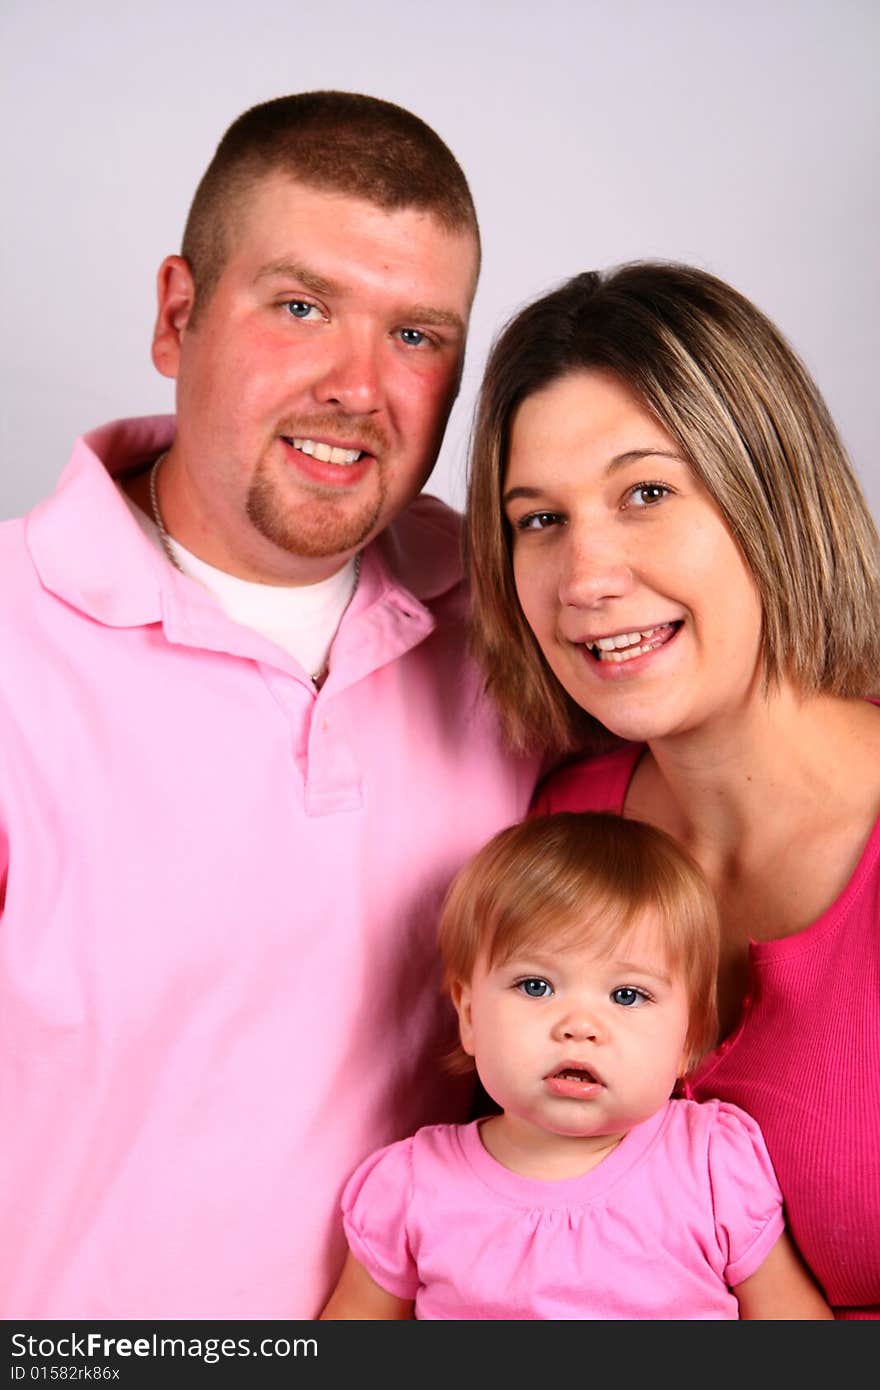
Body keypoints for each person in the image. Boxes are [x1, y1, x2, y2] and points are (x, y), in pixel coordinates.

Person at [0, 92, 539, 1320]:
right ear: (177, 315)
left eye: (416, 335)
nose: (357, 386)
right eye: (300, 308)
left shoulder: (519, 623)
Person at [464, 261, 880, 1319]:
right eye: (537, 519)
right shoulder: (552, 829)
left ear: (769, 494)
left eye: (645, 493)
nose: (586, 576)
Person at [320, 812, 832, 1319]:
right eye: (536, 986)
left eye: (627, 995)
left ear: (688, 1041)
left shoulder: (711, 1164)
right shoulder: (412, 1189)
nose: (579, 1025)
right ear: (470, 1015)